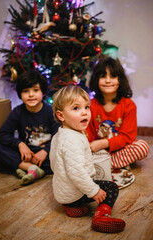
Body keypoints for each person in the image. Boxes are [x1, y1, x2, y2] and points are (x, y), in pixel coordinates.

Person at [50, 85, 125, 233]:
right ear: (61, 116)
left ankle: (71, 206)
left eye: (86, 107)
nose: (84, 112)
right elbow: (77, 173)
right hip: (73, 192)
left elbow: (55, 164)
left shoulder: (60, 135)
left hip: (63, 192)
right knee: (111, 188)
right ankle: (100, 217)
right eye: (76, 108)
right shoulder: (72, 140)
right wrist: (93, 191)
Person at [0, 70, 60, 185]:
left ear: (43, 92)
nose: (31, 95)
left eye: (35, 90)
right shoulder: (18, 112)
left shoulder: (50, 112)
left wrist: (45, 150)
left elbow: (59, 136)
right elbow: (2, 136)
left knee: (62, 159)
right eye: (25, 91)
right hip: (27, 155)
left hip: (47, 155)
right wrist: (20, 144)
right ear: (20, 94)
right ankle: (30, 168)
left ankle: (24, 168)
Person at [87, 56, 149, 169]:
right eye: (102, 76)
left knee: (142, 147)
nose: (108, 80)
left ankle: (105, 166)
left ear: (120, 80)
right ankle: (114, 164)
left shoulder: (128, 105)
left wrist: (102, 143)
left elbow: (126, 138)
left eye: (113, 76)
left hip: (121, 148)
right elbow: (88, 136)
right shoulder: (91, 105)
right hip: (98, 152)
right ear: (96, 80)